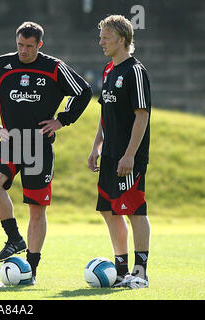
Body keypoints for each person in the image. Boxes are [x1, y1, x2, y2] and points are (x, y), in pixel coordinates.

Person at [0, 21, 92, 284]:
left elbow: (83, 91)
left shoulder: (54, 67)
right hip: (11, 141)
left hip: (39, 147)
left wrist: (62, 120)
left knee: (37, 209)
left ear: (40, 44)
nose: (23, 51)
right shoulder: (2, 64)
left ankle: (32, 270)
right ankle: (15, 238)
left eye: (29, 46)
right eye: (20, 45)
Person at [88, 15, 151, 288]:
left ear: (122, 40)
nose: (101, 41)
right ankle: (121, 269)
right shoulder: (107, 70)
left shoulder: (135, 72)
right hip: (110, 155)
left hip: (129, 156)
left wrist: (130, 155)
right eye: (101, 36)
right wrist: (96, 148)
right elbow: (105, 113)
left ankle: (141, 271)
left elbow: (142, 115)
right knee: (109, 211)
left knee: (134, 210)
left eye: (106, 37)